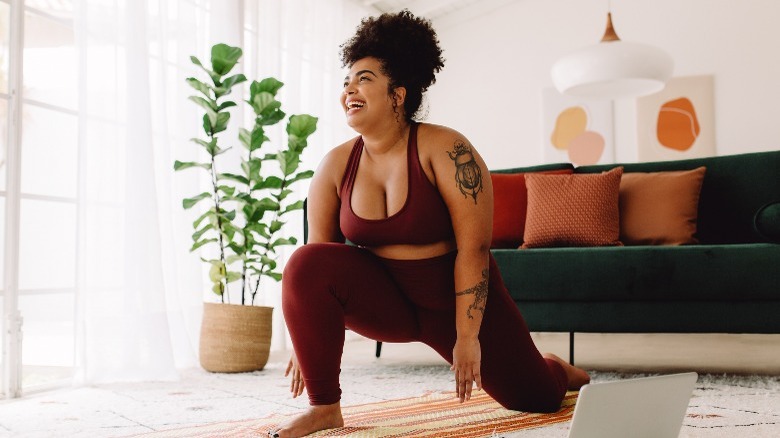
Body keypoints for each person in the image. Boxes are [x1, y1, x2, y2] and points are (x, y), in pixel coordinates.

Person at [270, 10, 590, 438]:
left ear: (397, 94)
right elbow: (318, 262)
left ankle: (556, 369)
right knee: (303, 261)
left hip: (451, 301)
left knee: (537, 398)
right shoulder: (334, 166)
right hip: (387, 303)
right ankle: (325, 409)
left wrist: (467, 337)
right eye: (346, 81)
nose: (349, 89)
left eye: (364, 79)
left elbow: (474, 249)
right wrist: (307, 343)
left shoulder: (447, 149)